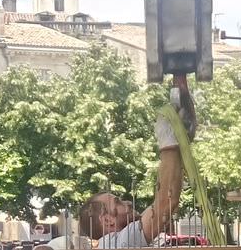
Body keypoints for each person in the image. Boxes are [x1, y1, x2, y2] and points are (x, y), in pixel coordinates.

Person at [36, 87, 193, 250]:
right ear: (107, 221)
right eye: (117, 203)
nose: (127, 202)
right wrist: (168, 141)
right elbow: (167, 202)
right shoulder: (119, 242)